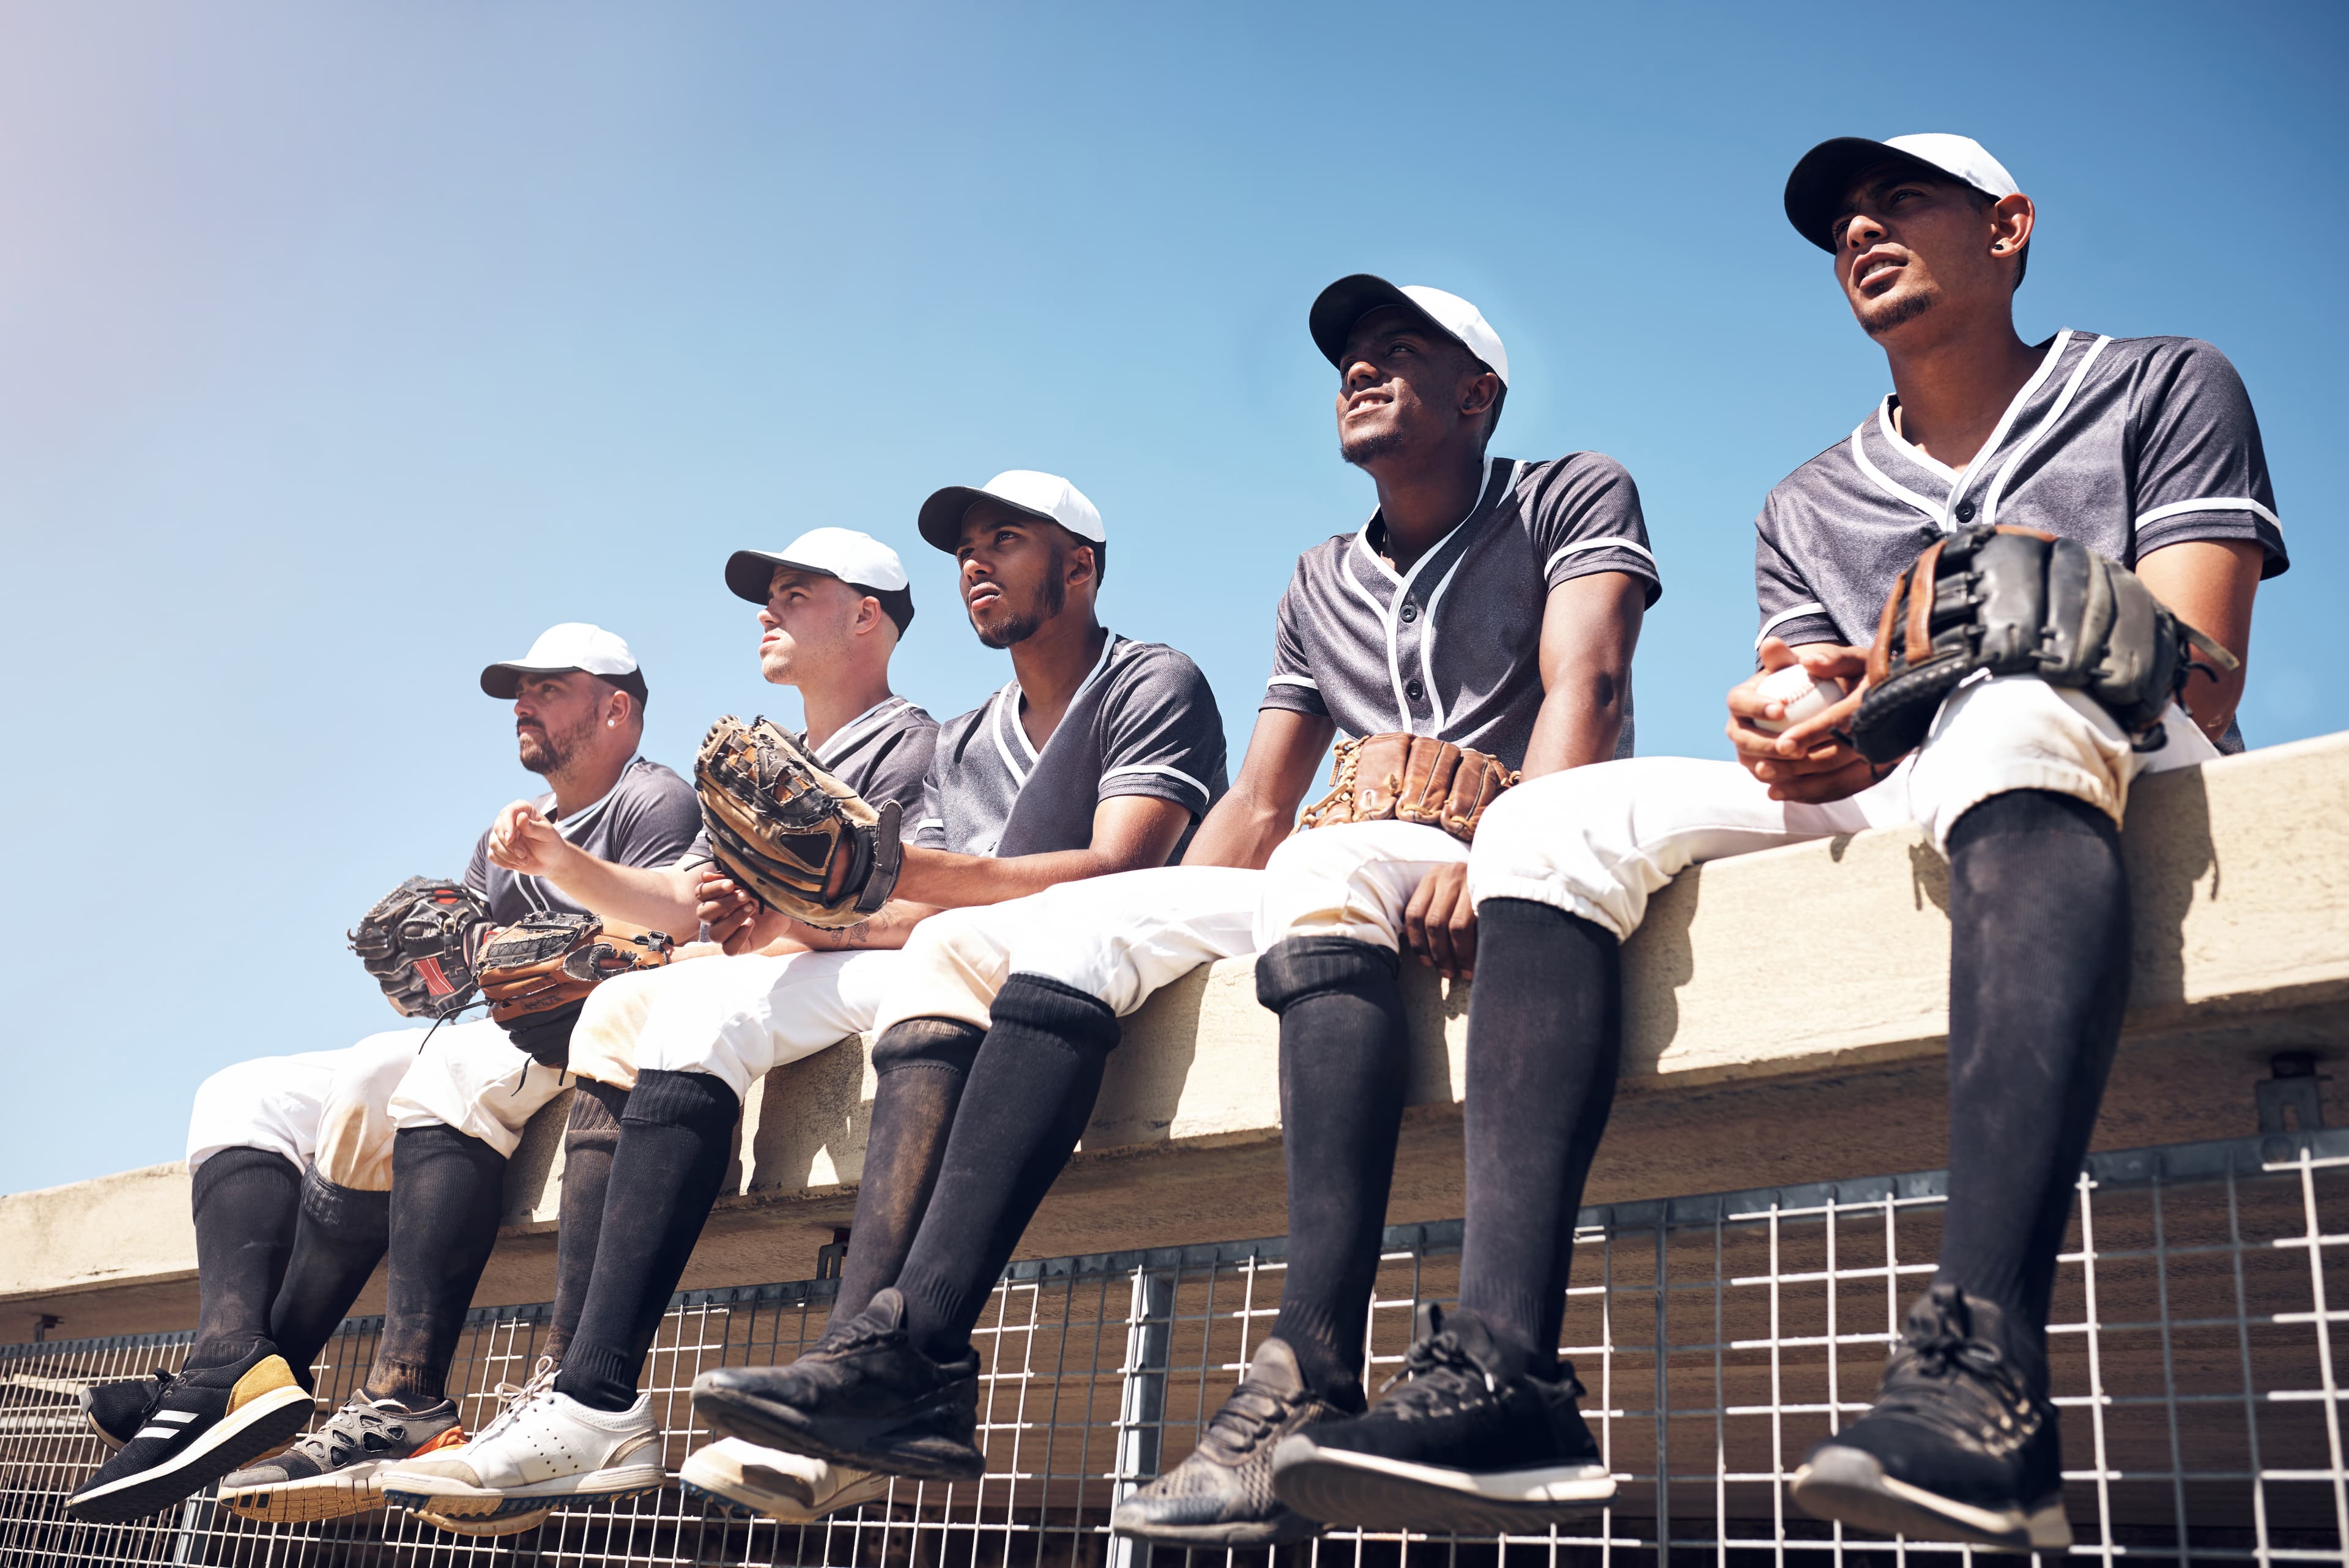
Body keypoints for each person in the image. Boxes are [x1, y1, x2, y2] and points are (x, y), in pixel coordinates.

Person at [1267, 135, 2284, 1549]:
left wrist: (2025, 632)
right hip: (1905, 774)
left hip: (2111, 752)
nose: (1862, 227)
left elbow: (2207, 661)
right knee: (1554, 816)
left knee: (2013, 702)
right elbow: (1821, 697)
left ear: (2010, 227)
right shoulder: (1809, 498)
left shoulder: (2163, 380)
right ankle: (1509, 1371)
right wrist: (1789, 723)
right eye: (1842, 218)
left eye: (1902, 200)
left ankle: (1985, 1365)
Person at [688, 280, 1657, 1551]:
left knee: (1320, 870)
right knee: (1070, 934)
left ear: (1480, 393)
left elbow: (1584, 677)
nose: (1358, 371)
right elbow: (1258, 800)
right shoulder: (1319, 575)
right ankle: (911, 1350)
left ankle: (1308, 1371)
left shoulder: (1566, 490)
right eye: (1347, 358)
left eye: (1397, 352)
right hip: (1349, 850)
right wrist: (1158, 925)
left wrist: (1507, 839)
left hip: (1505, 834)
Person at [380, 473, 1231, 1524]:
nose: (976, 561)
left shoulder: (1132, 683)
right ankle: (591, 1393)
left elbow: (1108, 871)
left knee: (913, 954)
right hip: (940, 953)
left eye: (1005, 539)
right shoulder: (971, 737)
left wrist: (854, 885)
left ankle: (862, 1364)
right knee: (670, 1010)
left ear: (1081, 565)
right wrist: (817, 903)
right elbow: (885, 899)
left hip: (1082, 957)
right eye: (969, 545)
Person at [68, 626, 701, 1528]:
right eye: (518, 691)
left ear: (615, 708)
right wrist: (445, 970)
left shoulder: (656, 802)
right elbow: (467, 985)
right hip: (500, 1037)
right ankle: (233, 1360)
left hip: (588, 1041)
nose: (523, 704)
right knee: (245, 1091)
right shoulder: (507, 827)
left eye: (547, 689)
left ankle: (399, 1395)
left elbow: (659, 947)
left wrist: (530, 941)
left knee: (424, 1073)